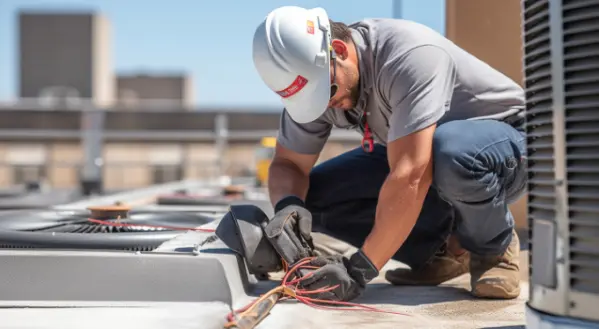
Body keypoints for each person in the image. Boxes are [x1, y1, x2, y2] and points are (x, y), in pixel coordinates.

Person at [251, 6, 527, 302]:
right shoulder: (317, 86)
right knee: (312, 199)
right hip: (426, 155)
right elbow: (288, 163)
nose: (327, 106)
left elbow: (411, 174)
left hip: (505, 144)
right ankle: (444, 252)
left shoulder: (407, 55)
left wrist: (359, 270)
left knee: (453, 153)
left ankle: (493, 250)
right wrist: (289, 207)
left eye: (327, 92)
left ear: (340, 50)